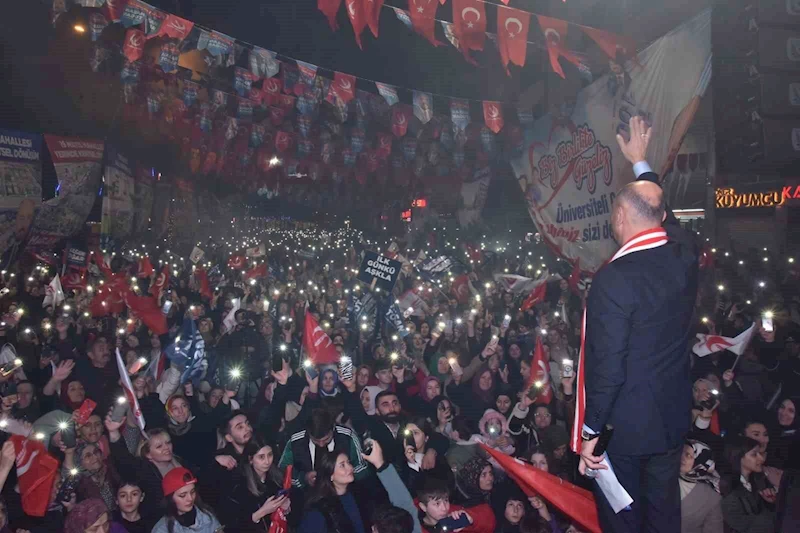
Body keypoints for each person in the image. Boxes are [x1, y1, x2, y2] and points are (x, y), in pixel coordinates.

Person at [578, 116, 699, 533]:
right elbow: (669, 220)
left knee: (623, 519)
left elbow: (608, 366)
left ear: (618, 219)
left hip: (625, 431)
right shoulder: (684, 255)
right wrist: (641, 162)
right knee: (664, 517)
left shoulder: (614, 277)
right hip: (668, 420)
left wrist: (590, 431)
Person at [220, 436, 290, 532]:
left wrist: (286, 508)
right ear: (250, 459)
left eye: (270, 455)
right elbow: (232, 526)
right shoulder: (238, 485)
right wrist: (262, 512)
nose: (267, 461)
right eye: (261, 457)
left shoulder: (277, 477)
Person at [720, 436, 776, 533]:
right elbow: (745, 524)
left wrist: (771, 503)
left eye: (760, 453)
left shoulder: (759, 480)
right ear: (738, 457)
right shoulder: (727, 487)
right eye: (754, 454)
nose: (761, 458)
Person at [151, 467, 222, 533]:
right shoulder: (161, 529)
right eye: (182, 495)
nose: (190, 498)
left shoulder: (207, 515)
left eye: (192, 492)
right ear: (170, 499)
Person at [679, 440, 723, 533]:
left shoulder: (711, 497)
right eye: (680, 452)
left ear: (700, 461)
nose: (681, 457)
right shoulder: (664, 479)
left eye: (688, 455)